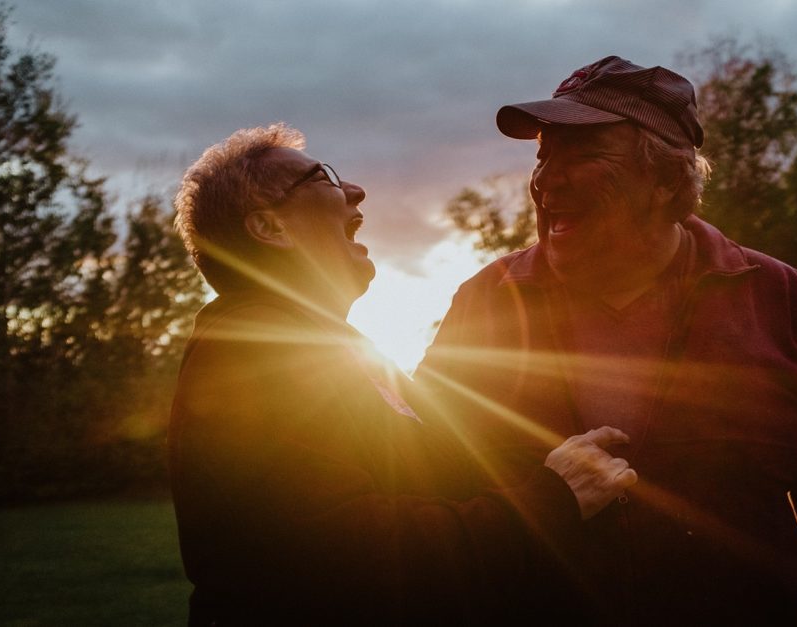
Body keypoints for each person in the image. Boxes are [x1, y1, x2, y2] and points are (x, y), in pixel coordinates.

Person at [415, 56, 797, 626]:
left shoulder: (774, 294)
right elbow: (421, 487)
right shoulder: (485, 300)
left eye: (582, 154)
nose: (546, 180)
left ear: (665, 180)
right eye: (544, 155)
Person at [167, 123, 638, 625]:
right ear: (271, 228)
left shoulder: (335, 352)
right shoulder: (254, 352)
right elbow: (340, 553)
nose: (355, 190)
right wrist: (552, 500)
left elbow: (424, 483)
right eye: (321, 179)